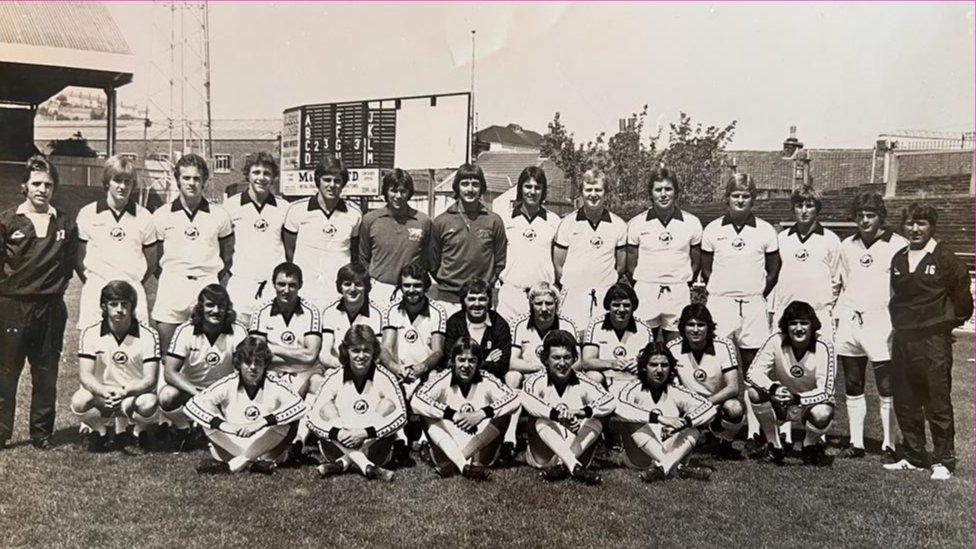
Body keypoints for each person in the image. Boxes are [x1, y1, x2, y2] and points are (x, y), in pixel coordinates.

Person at [885, 203, 973, 480]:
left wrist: (943, 325)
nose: (915, 229)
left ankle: (944, 461)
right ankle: (914, 455)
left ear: (932, 226)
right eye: (910, 223)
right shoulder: (899, 258)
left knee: (937, 400)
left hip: (933, 339)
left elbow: (963, 303)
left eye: (921, 223)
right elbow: (896, 298)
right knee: (906, 398)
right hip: (904, 338)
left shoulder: (946, 258)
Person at [0, 155, 77, 450]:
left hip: (50, 307)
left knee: (46, 372)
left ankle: (42, 433)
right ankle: (2, 431)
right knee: (6, 371)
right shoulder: (7, 221)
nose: (42, 189)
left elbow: (68, 265)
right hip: (12, 306)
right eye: (36, 183)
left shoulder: (65, 223)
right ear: (24, 186)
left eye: (48, 184)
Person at [700, 172, 780, 449]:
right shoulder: (712, 230)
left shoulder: (766, 230)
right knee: (718, 365)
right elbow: (706, 268)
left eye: (746, 196)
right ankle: (716, 425)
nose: (740, 200)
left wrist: (755, 293)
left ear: (753, 199)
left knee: (752, 368)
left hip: (753, 304)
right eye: (735, 195)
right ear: (727, 198)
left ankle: (754, 432)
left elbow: (773, 270)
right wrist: (723, 291)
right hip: (721, 303)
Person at [834, 193, 908, 462]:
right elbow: (839, 283)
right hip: (851, 319)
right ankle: (856, 442)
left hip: (882, 321)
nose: (864, 220)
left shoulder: (898, 245)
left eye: (870, 215)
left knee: (886, 385)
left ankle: (889, 444)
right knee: (853, 382)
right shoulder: (847, 245)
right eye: (860, 215)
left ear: (881, 217)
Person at [151, 153, 234, 354]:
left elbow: (227, 257)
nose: (191, 183)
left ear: (205, 180)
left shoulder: (219, 215)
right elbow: (155, 260)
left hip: (206, 286)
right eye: (186, 178)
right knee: (168, 354)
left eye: (197, 178)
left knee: (205, 353)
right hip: (172, 286)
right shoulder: (161, 215)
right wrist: (174, 276)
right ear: (177, 179)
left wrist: (210, 278)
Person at [185, 336, 305, 475]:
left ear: (265, 364)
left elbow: (299, 406)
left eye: (258, 362)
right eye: (247, 362)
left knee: (286, 421)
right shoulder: (228, 382)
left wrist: (262, 422)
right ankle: (255, 463)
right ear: (239, 363)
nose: (253, 367)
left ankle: (236, 464)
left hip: (266, 444)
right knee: (206, 415)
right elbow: (192, 404)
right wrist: (226, 426)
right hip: (233, 441)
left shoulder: (275, 383)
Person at [307, 326, 407, 482]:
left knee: (388, 404)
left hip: (376, 450)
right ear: (347, 351)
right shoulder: (335, 376)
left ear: (374, 351)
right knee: (325, 407)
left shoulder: (385, 376)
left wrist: (364, 433)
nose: (361, 356)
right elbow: (310, 418)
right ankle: (366, 466)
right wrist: (338, 433)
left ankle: (343, 463)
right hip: (336, 447)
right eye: (355, 350)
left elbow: (402, 416)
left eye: (366, 350)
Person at [411, 337, 520, 480]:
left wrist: (482, 413)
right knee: (426, 413)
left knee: (504, 413)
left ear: (479, 363)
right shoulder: (443, 378)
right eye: (461, 360)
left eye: (472, 360)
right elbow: (416, 400)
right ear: (453, 361)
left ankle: (453, 465)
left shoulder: (486, 378)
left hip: (480, 449)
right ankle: (464, 466)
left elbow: (515, 399)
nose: (466, 365)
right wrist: (452, 414)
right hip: (447, 446)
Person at [746, 301, 837, 466]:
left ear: (813, 325)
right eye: (793, 323)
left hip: (810, 404)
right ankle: (775, 446)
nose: (799, 328)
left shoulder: (825, 346)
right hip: (782, 402)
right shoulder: (775, 340)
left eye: (804, 323)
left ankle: (809, 446)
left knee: (823, 412)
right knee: (753, 392)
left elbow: (826, 390)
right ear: (786, 326)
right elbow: (752, 372)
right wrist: (774, 388)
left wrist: (796, 398)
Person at [72, 281, 159, 452]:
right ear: (104, 306)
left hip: (132, 396)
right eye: (113, 304)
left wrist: (125, 392)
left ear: (132, 306)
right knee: (79, 401)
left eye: (124, 304)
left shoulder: (149, 334)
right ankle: (100, 431)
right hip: (103, 396)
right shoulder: (90, 333)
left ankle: (137, 432)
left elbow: (150, 380)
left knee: (149, 402)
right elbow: (85, 375)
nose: (119, 309)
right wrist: (104, 392)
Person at [158, 284, 248, 451]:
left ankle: (206, 428)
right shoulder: (185, 330)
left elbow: (246, 368)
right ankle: (184, 427)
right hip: (192, 391)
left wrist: (229, 393)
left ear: (227, 308)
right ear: (200, 308)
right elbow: (170, 372)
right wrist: (198, 394)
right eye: (210, 305)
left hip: (224, 392)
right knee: (167, 396)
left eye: (221, 306)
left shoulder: (238, 330)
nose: (216, 310)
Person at [613, 341, 716, 482]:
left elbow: (709, 407)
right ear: (644, 367)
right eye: (653, 365)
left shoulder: (676, 390)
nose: (659, 370)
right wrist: (660, 419)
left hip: (670, 447)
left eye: (664, 365)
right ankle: (677, 468)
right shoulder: (632, 388)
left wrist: (686, 422)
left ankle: (664, 468)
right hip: (640, 457)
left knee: (695, 427)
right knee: (631, 421)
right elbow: (619, 408)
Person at [75, 155, 157, 329]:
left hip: (132, 290)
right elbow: (79, 257)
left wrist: (132, 281)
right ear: (107, 182)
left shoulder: (144, 216)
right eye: (117, 180)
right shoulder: (88, 213)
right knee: (93, 351)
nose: (123, 186)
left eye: (128, 181)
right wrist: (96, 281)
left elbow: (151, 261)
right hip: (97, 290)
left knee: (134, 350)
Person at [520, 329, 612, 485]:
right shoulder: (535, 380)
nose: (562, 363)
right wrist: (557, 416)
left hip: (575, 447)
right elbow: (526, 399)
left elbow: (610, 400)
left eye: (567, 357)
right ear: (546, 359)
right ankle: (573, 465)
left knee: (596, 420)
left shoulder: (584, 381)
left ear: (575, 358)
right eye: (556, 358)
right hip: (543, 456)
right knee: (540, 421)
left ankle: (568, 465)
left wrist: (582, 413)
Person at [626, 168, 702, 342]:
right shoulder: (637, 223)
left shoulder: (692, 223)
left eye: (668, 189)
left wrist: (682, 282)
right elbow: (631, 263)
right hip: (646, 290)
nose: (663, 194)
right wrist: (644, 282)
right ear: (651, 194)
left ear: (676, 192)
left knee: (677, 347)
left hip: (678, 291)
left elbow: (695, 261)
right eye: (658, 190)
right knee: (642, 346)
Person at [506, 280, 578, 457]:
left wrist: (553, 369)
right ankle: (509, 437)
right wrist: (536, 367)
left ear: (557, 305)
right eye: (538, 303)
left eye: (549, 303)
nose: (544, 308)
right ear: (531, 305)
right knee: (512, 376)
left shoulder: (567, 325)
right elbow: (511, 362)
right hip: (529, 377)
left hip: (559, 376)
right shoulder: (519, 324)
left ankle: (570, 434)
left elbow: (578, 362)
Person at [553, 169, 628, 331]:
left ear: (606, 192)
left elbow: (621, 266)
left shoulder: (619, 225)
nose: (593, 194)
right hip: (573, 296)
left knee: (600, 342)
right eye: (588, 190)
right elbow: (558, 264)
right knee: (571, 344)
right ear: (581, 192)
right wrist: (573, 285)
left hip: (604, 295)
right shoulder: (567, 223)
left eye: (598, 190)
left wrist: (604, 283)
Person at [428, 163, 507, 316]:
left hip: (480, 299)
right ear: (457, 187)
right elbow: (432, 262)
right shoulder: (441, 221)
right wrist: (449, 282)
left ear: (481, 188)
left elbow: (500, 261)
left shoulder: (494, 220)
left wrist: (484, 284)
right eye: (464, 184)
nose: (470, 189)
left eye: (475, 184)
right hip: (448, 299)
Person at [667, 304, 744, 459]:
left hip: (716, 403)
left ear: (709, 327)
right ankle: (696, 436)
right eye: (690, 325)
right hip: (687, 404)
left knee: (735, 408)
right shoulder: (672, 348)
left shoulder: (724, 345)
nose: (695, 330)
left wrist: (707, 404)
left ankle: (725, 443)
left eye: (701, 325)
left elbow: (733, 388)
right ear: (682, 327)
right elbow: (670, 386)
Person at [283, 158, 361, 310]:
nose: (332, 185)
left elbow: (354, 254)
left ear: (343, 184)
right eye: (327, 180)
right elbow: (289, 252)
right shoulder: (296, 210)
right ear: (318, 181)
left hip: (337, 293)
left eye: (337, 181)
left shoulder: (354, 213)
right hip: (305, 291)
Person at [223, 152, 288, 326]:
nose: (262, 178)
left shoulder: (284, 208)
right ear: (248, 174)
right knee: (238, 342)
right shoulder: (230, 206)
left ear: (273, 177)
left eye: (267, 173)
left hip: (273, 287)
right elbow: (224, 249)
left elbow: (290, 248)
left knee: (271, 342)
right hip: (240, 285)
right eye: (256, 172)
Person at [770, 185, 841, 339]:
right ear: (793, 208)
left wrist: (826, 305)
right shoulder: (781, 239)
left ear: (817, 209)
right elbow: (774, 277)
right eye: (799, 206)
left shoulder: (831, 240)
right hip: (786, 312)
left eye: (809, 206)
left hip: (819, 312)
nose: (803, 211)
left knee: (820, 360)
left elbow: (836, 279)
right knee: (783, 360)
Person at [358, 169, 432, 310]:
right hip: (378, 289)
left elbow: (427, 259)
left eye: (403, 191)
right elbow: (363, 257)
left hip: (411, 290)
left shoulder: (423, 221)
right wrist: (373, 284)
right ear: (386, 192)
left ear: (409, 193)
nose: (398, 196)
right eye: (393, 190)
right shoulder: (370, 220)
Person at [496, 166, 561, 322]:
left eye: (537, 187)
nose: (532, 192)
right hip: (511, 295)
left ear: (543, 191)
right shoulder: (504, 219)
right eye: (528, 186)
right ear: (520, 188)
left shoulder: (554, 221)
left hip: (542, 298)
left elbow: (559, 261)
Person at [249, 262, 322, 396]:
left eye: (292, 285)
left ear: (300, 285)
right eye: (281, 284)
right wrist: (297, 354)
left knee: (318, 384)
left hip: (305, 371)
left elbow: (310, 356)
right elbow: (256, 353)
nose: (286, 290)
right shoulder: (261, 311)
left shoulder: (311, 311)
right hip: (274, 370)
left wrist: (273, 349)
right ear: (273, 284)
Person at [381, 261, 447, 395]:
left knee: (435, 380)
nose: (411, 290)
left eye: (417, 285)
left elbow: (438, 351)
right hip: (398, 371)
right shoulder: (391, 309)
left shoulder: (438, 311)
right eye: (407, 285)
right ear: (400, 287)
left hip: (425, 371)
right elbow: (385, 348)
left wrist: (422, 367)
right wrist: (397, 369)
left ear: (426, 287)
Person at [580, 283, 654, 395]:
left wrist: (641, 364)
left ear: (633, 306)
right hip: (606, 382)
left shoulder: (644, 327)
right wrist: (611, 364)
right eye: (616, 305)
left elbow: (654, 359)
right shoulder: (596, 325)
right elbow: (586, 362)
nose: (621, 309)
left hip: (635, 383)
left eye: (626, 305)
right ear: (608, 306)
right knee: (592, 376)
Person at [443, 278, 513, 383]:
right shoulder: (454, 323)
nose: (477, 304)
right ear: (463, 301)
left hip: (491, 381)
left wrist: (468, 363)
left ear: (489, 301)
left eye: (482, 299)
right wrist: (485, 361)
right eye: (471, 299)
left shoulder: (500, 324)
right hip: (459, 381)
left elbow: (502, 365)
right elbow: (449, 362)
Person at [319, 263, 384, 371]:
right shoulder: (330, 312)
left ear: (366, 287)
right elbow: (324, 354)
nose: (352, 289)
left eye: (358, 284)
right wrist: (343, 368)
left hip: (367, 370)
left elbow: (377, 355)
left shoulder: (377, 314)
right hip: (336, 368)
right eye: (347, 284)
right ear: (340, 287)